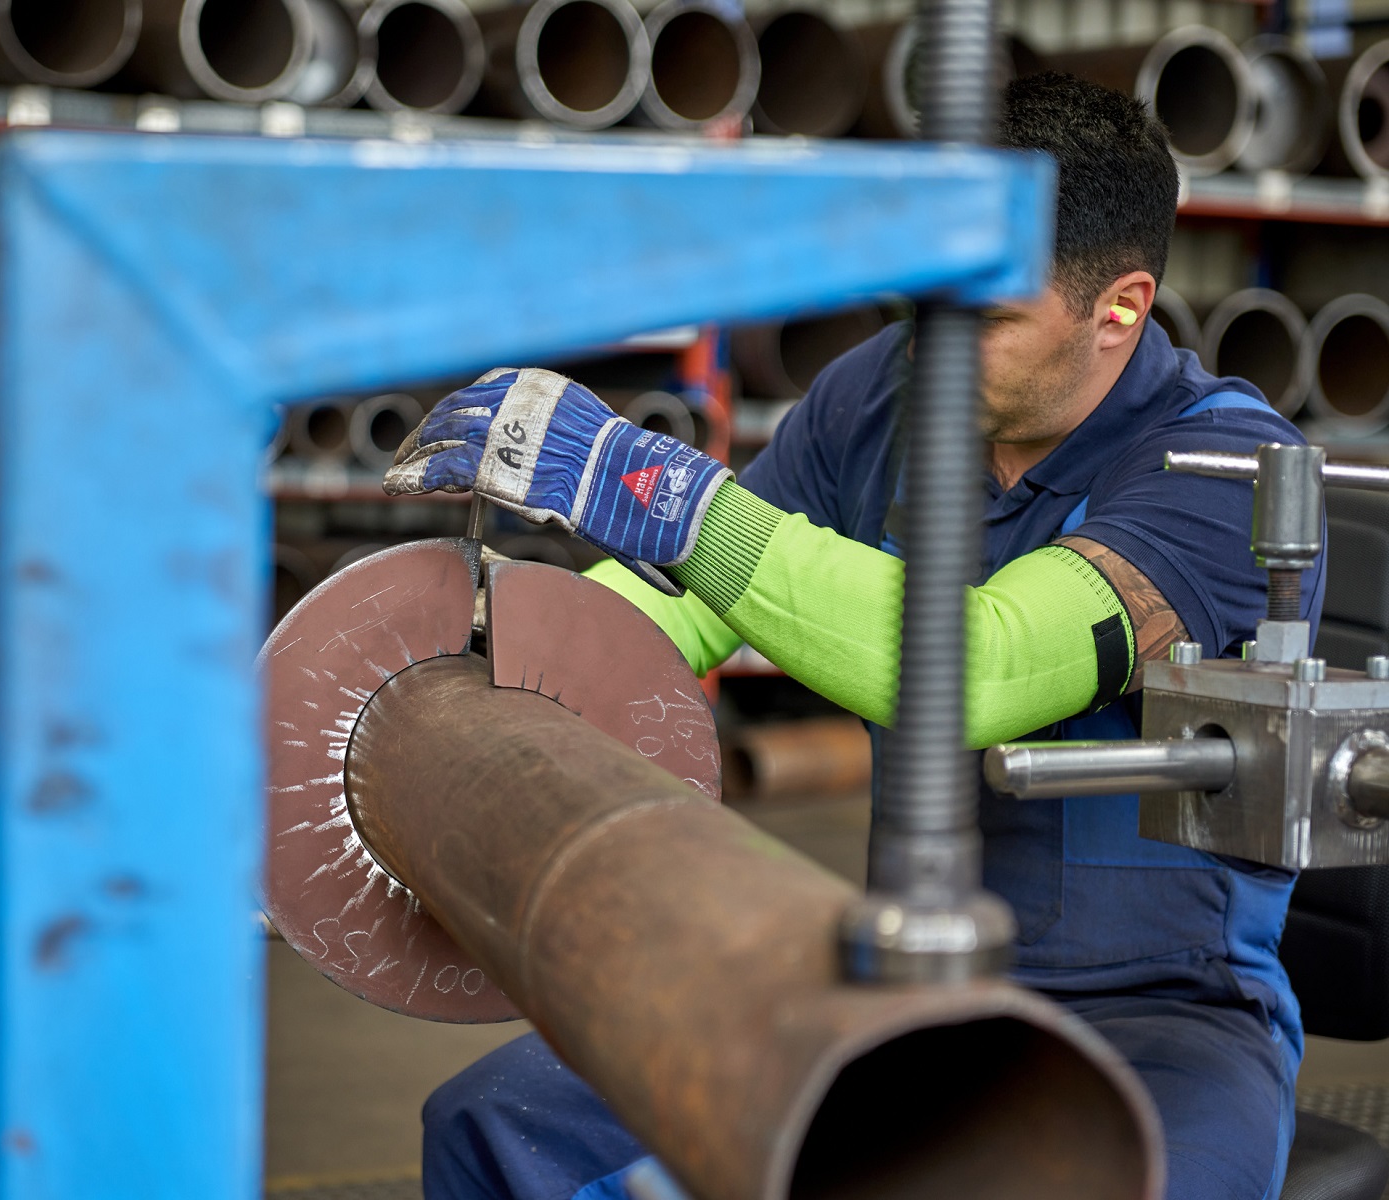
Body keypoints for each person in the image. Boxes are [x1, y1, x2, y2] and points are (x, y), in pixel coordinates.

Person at [383, 72, 1328, 1200]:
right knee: (494, 1125)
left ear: (1118, 308)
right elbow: (688, 600)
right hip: (897, 976)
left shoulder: (1226, 473)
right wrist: (465, 678)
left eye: (981, 317)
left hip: (1157, 1017)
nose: (930, 347)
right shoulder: (880, 396)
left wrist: (673, 499)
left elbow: (979, 669)